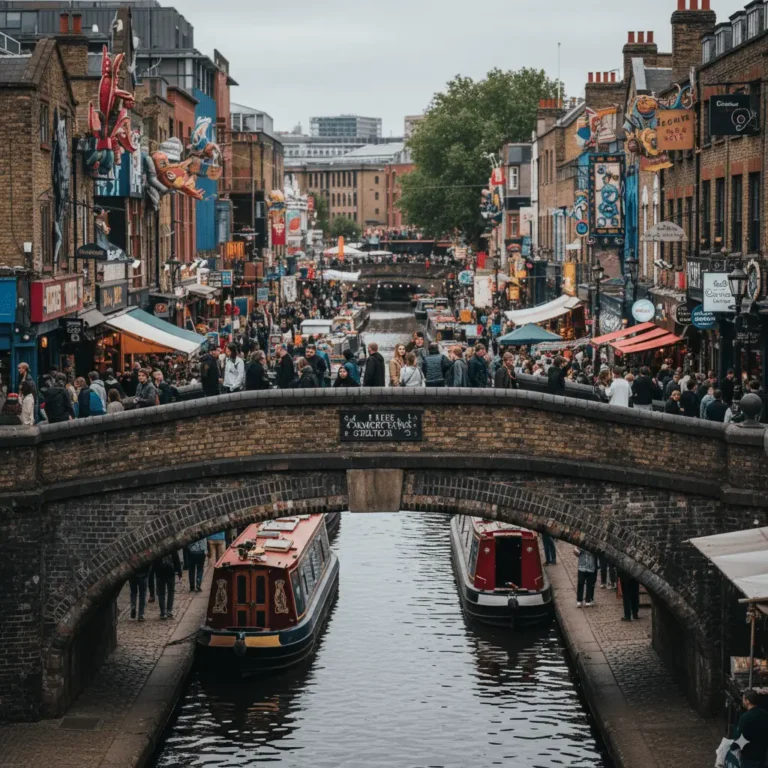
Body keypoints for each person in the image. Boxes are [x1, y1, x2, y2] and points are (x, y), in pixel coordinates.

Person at [732, 690, 768, 768]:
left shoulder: (745, 717)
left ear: (747, 701)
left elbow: (741, 738)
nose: (743, 701)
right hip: (763, 755)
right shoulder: (765, 714)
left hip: (749, 756)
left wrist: (733, 747)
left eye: (743, 699)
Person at [154, 549, 182, 620]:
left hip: (160, 573)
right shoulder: (171, 547)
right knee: (171, 592)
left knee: (161, 593)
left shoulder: (157, 548)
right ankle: (169, 611)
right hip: (170, 572)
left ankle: (163, 612)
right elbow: (176, 559)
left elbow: (154, 562)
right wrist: (179, 571)